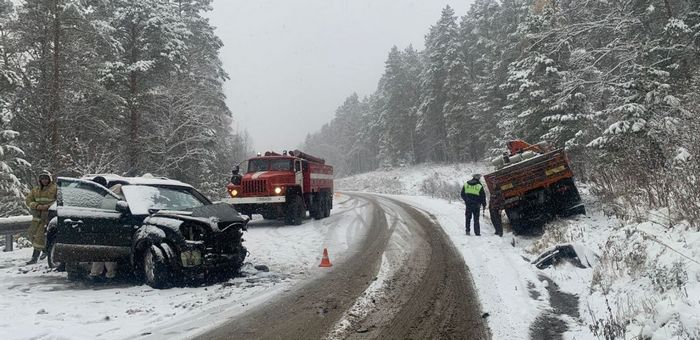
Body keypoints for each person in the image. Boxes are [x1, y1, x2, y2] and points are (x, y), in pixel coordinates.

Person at [25, 170, 58, 264]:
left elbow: (58, 201)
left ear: (49, 179)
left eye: (46, 178)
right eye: (42, 178)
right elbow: (28, 200)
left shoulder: (55, 188)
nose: (44, 180)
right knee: (31, 234)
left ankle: (34, 258)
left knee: (39, 238)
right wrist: (36, 206)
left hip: (48, 217)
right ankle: (45, 250)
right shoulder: (35, 190)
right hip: (36, 217)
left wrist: (48, 207)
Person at [89, 175, 118, 280]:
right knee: (106, 251)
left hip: (101, 226)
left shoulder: (107, 196)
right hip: (105, 226)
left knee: (101, 251)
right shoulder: (110, 195)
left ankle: (97, 274)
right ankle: (108, 274)